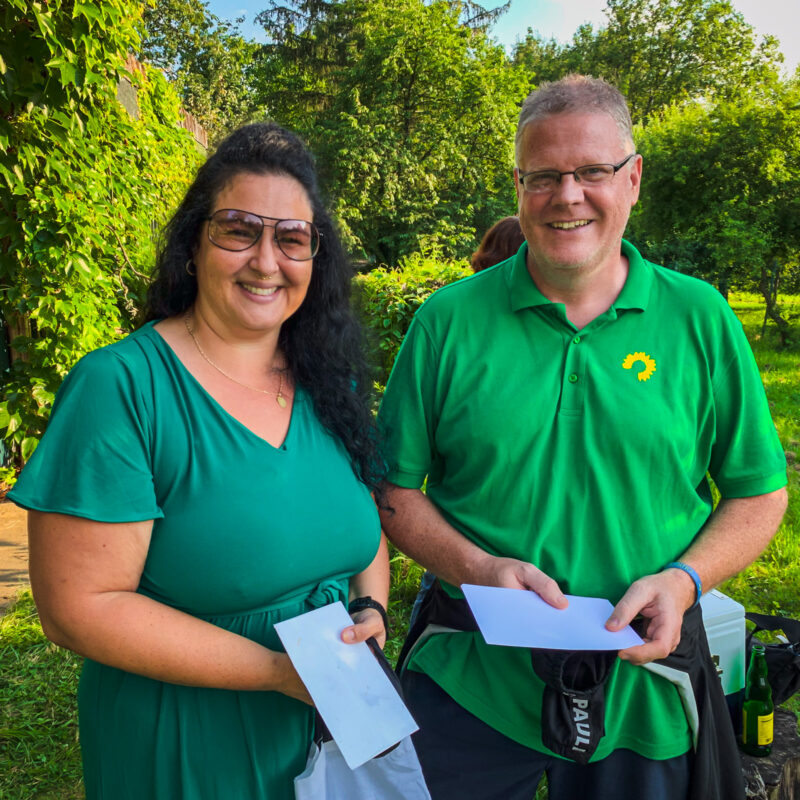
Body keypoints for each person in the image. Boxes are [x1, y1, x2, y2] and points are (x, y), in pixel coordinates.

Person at [377, 75, 788, 800]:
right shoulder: (447, 321)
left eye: (592, 171)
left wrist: (684, 580)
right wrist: (476, 567)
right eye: (544, 176)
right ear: (518, 186)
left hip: (645, 689)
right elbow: (392, 489)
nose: (567, 195)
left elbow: (759, 493)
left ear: (632, 179)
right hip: (469, 676)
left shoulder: (701, 319)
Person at [9, 122, 389, 800]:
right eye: (240, 230)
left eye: (292, 239)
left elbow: (364, 528)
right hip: (186, 742)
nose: (267, 261)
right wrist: (275, 671)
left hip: (332, 729)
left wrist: (374, 610)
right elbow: (78, 607)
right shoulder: (121, 388)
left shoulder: (330, 381)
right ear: (193, 245)